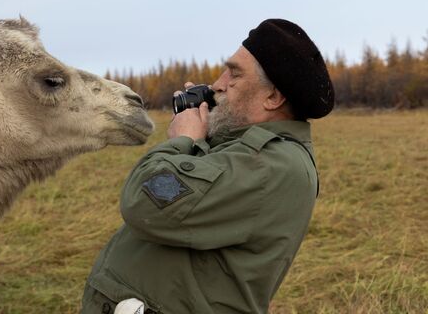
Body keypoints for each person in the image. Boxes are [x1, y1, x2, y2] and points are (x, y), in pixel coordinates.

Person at [81, 19, 335, 314]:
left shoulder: (272, 165)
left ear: (273, 97)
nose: (217, 84)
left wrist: (184, 139)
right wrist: (211, 123)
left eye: (235, 75)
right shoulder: (246, 151)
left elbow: (146, 202)